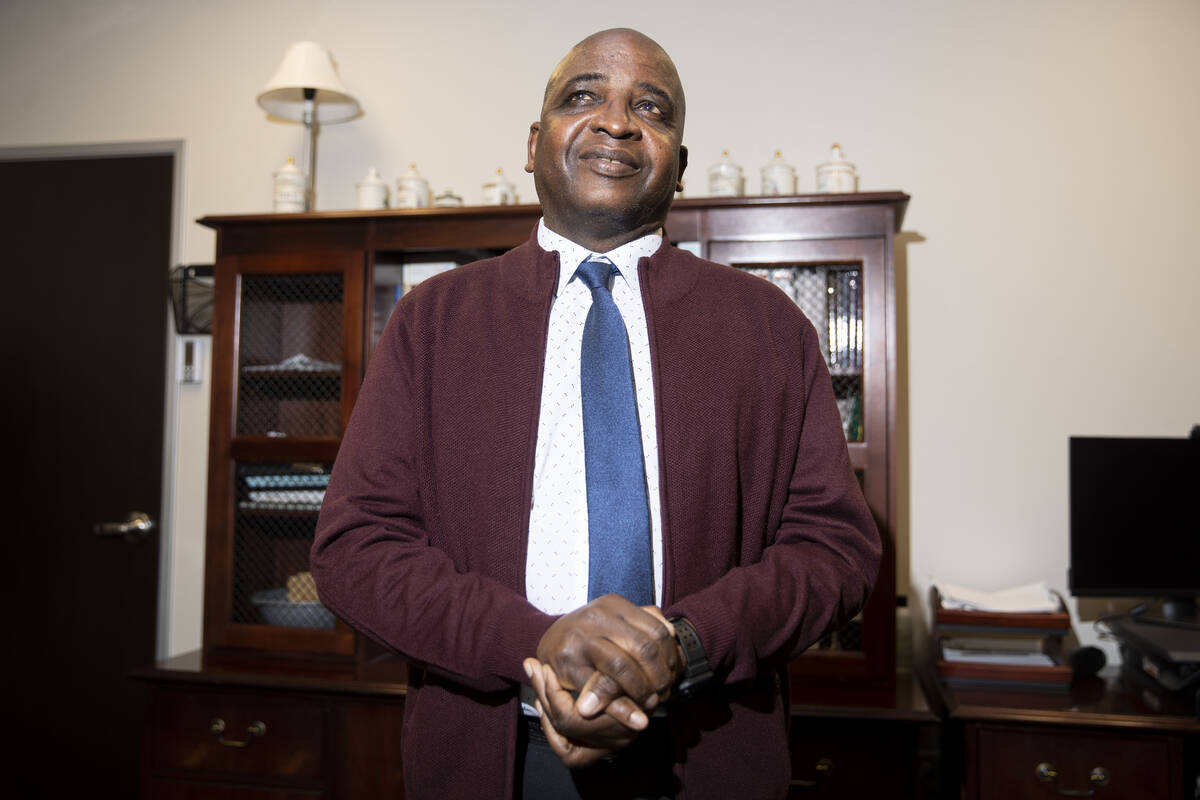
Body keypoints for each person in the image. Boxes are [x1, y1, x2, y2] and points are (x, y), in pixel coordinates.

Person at [311, 27, 881, 800]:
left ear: (678, 164)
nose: (616, 121)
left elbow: (835, 547)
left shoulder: (768, 327)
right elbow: (357, 547)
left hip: (705, 750)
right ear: (534, 141)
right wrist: (538, 645)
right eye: (583, 97)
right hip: (492, 754)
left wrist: (682, 647)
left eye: (651, 107)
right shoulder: (432, 320)